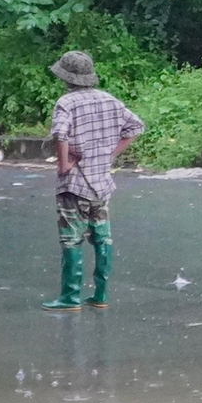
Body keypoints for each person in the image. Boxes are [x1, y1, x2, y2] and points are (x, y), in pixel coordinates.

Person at [45, 50, 144, 311]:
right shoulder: (109, 100)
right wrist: (109, 153)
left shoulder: (66, 103)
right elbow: (136, 127)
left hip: (75, 183)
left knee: (71, 238)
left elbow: (60, 134)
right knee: (102, 237)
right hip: (101, 181)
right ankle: (100, 294)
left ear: (66, 77)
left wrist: (64, 163)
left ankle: (70, 296)